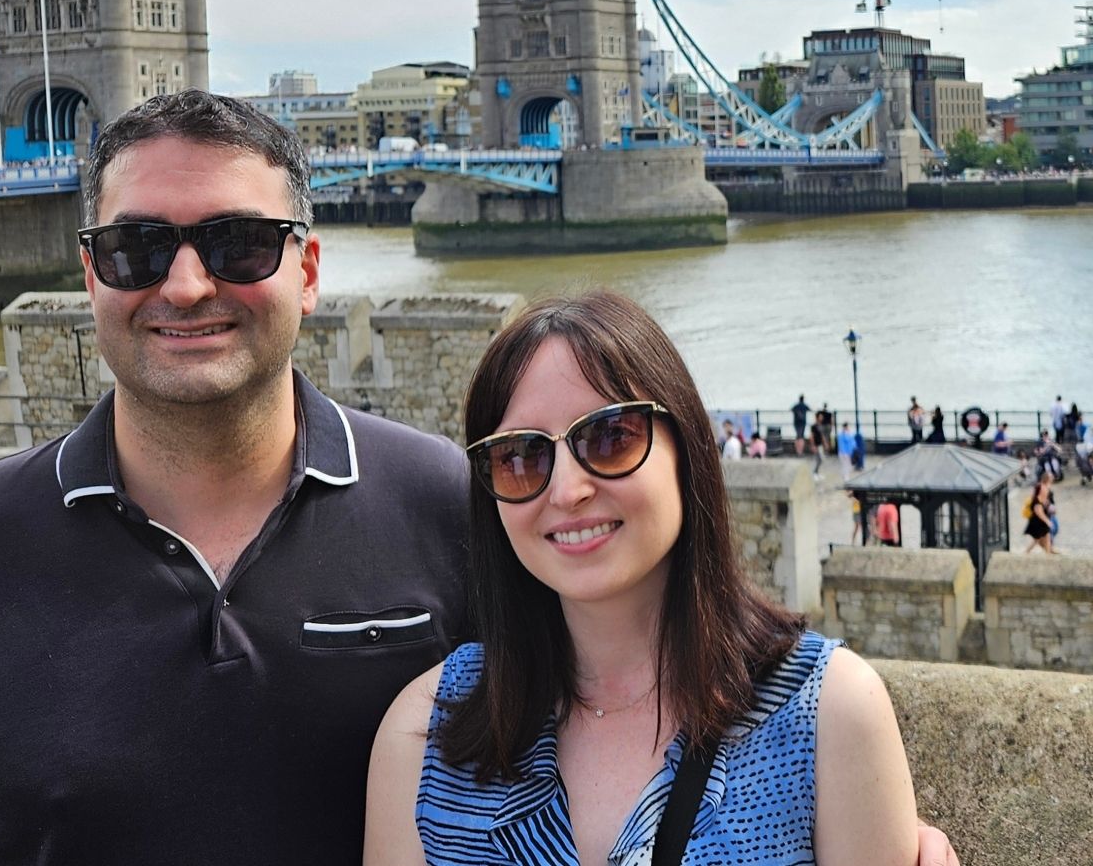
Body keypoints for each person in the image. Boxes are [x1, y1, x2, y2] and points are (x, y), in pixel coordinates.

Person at [0, 89, 481, 865]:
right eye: (136, 248)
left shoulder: (453, 511)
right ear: (90, 275)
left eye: (241, 243)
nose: (186, 286)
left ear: (309, 269)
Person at [364, 292, 922, 866]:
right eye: (521, 457)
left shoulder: (827, 718)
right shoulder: (424, 736)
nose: (567, 490)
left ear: (686, 449)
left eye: (609, 438)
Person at [1021, 470, 1057, 554]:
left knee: (1046, 537)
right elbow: (1039, 512)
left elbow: (1045, 503)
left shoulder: (1041, 491)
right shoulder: (1038, 501)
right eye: (1051, 477)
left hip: (1040, 520)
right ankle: (1026, 552)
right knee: (1037, 539)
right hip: (1038, 521)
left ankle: (1048, 553)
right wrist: (1047, 521)